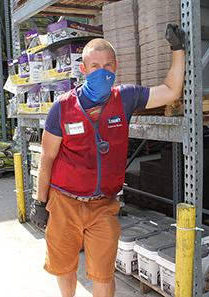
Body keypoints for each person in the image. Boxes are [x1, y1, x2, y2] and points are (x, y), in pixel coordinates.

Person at [30, 24, 185, 297]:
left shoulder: (125, 98)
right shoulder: (62, 108)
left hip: (104, 206)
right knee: (64, 266)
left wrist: (177, 50)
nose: (102, 71)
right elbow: (47, 157)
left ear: (116, 67)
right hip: (65, 202)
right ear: (84, 69)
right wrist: (40, 202)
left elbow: (171, 91)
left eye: (108, 65)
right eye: (95, 66)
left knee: (103, 272)